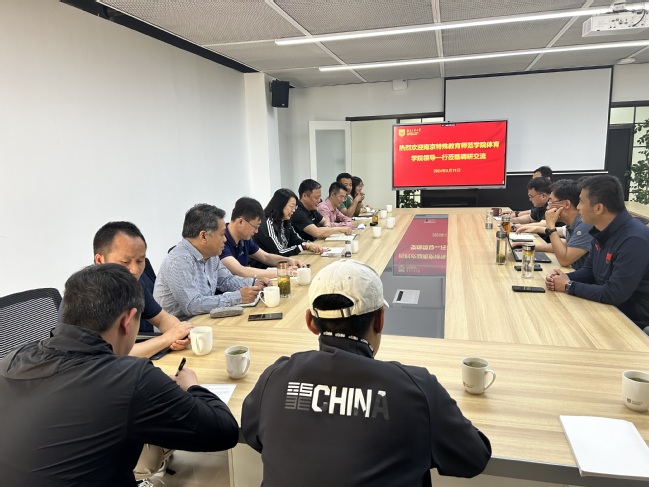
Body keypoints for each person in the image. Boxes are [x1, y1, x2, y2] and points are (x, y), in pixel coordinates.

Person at [241, 260, 492, 486]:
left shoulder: (275, 377)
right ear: (380, 320)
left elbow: (254, 436)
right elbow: (473, 458)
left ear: (310, 322)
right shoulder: (417, 389)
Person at [0, 264, 239, 486]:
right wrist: (192, 386)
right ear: (127, 320)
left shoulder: (10, 360)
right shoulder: (131, 378)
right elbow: (224, 431)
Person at [546, 175, 649, 330]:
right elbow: (590, 272)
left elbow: (615, 293)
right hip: (606, 310)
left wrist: (568, 285)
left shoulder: (634, 239)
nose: (578, 207)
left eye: (581, 202)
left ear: (598, 208)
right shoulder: (601, 230)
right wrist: (564, 278)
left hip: (630, 322)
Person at [92, 222, 192, 359]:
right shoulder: (89, 294)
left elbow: (162, 318)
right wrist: (167, 339)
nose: (135, 270)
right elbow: (110, 354)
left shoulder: (134, 285)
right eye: (125, 262)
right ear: (100, 260)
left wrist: (181, 335)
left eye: (140, 261)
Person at [154, 204, 262, 320]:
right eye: (222, 234)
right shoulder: (179, 260)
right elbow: (192, 305)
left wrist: (255, 283)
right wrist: (238, 297)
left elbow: (226, 280)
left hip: (203, 319)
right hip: (180, 326)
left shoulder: (211, 255)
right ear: (203, 236)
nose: (225, 239)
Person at [515, 180, 593, 269]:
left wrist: (551, 226)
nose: (548, 207)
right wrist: (528, 246)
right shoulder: (572, 223)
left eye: (550, 202)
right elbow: (564, 245)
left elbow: (564, 260)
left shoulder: (584, 224)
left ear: (566, 204)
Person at [221, 197, 305, 279]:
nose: (256, 231)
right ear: (240, 222)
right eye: (255, 227)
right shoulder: (221, 241)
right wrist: (283, 272)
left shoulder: (244, 238)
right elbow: (241, 271)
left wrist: (289, 261)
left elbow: (265, 257)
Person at [254, 188, 324, 260]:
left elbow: (297, 240)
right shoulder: (267, 223)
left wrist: (310, 245)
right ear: (280, 205)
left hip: (285, 261)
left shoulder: (285, 221)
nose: (294, 210)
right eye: (291, 206)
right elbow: (279, 252)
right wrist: (304, 246)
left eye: (295, 207)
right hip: (269, 265)